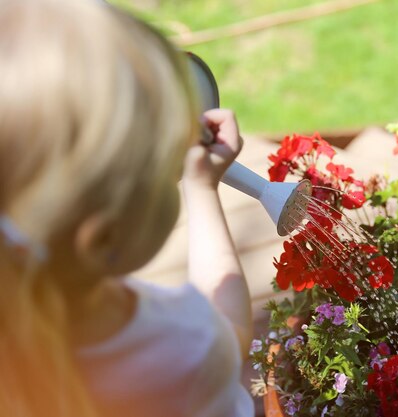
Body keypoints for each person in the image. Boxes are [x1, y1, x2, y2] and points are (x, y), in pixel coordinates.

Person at [0, 0, 254, 416]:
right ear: (102, 239)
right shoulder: (181, 350)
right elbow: (232, 331)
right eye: (165, 173)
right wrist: (202, 188)